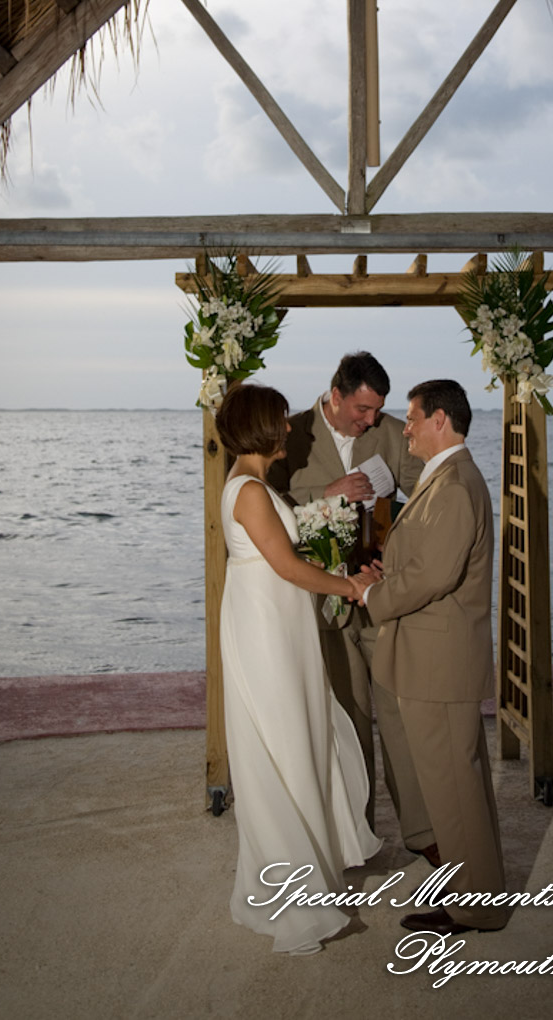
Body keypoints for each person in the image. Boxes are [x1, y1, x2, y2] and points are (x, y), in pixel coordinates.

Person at [216, 381, 381, 955]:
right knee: (282, 748)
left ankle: (309, 870)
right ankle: (292, 899)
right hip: (267, 632)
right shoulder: (251, 491)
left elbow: (289, 557)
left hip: (278, 626)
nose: (289, 428)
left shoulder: (254, 485)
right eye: (281, 421)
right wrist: (351, 588)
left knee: (303, 739)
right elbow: (286, 567)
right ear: (261, 425)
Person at [268, 352, 436, 861]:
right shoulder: (290, 434)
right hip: (319, 603)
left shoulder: (388, 431)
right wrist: (330, 493)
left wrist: (397, 545)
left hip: (381, 597)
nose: (371, 421)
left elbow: (428, 497)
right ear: (335, 395)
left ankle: (425, 834)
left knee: (402, 716)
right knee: (347, 723)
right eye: (362, 410)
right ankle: (355, 837)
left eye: (378, 410)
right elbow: (267, 515)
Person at [355, 379, 508, 935]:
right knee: (458, 785)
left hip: (439, 663)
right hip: (434, 655)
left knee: (454, 788)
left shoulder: (454, 485)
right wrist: (388, 573)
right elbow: (423, 562)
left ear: (440, 420)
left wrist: (372, 594)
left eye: (414, 418)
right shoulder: (443, 479)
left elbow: (435, 575)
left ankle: (476, 909)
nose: (407, 429)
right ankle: (481, 894)